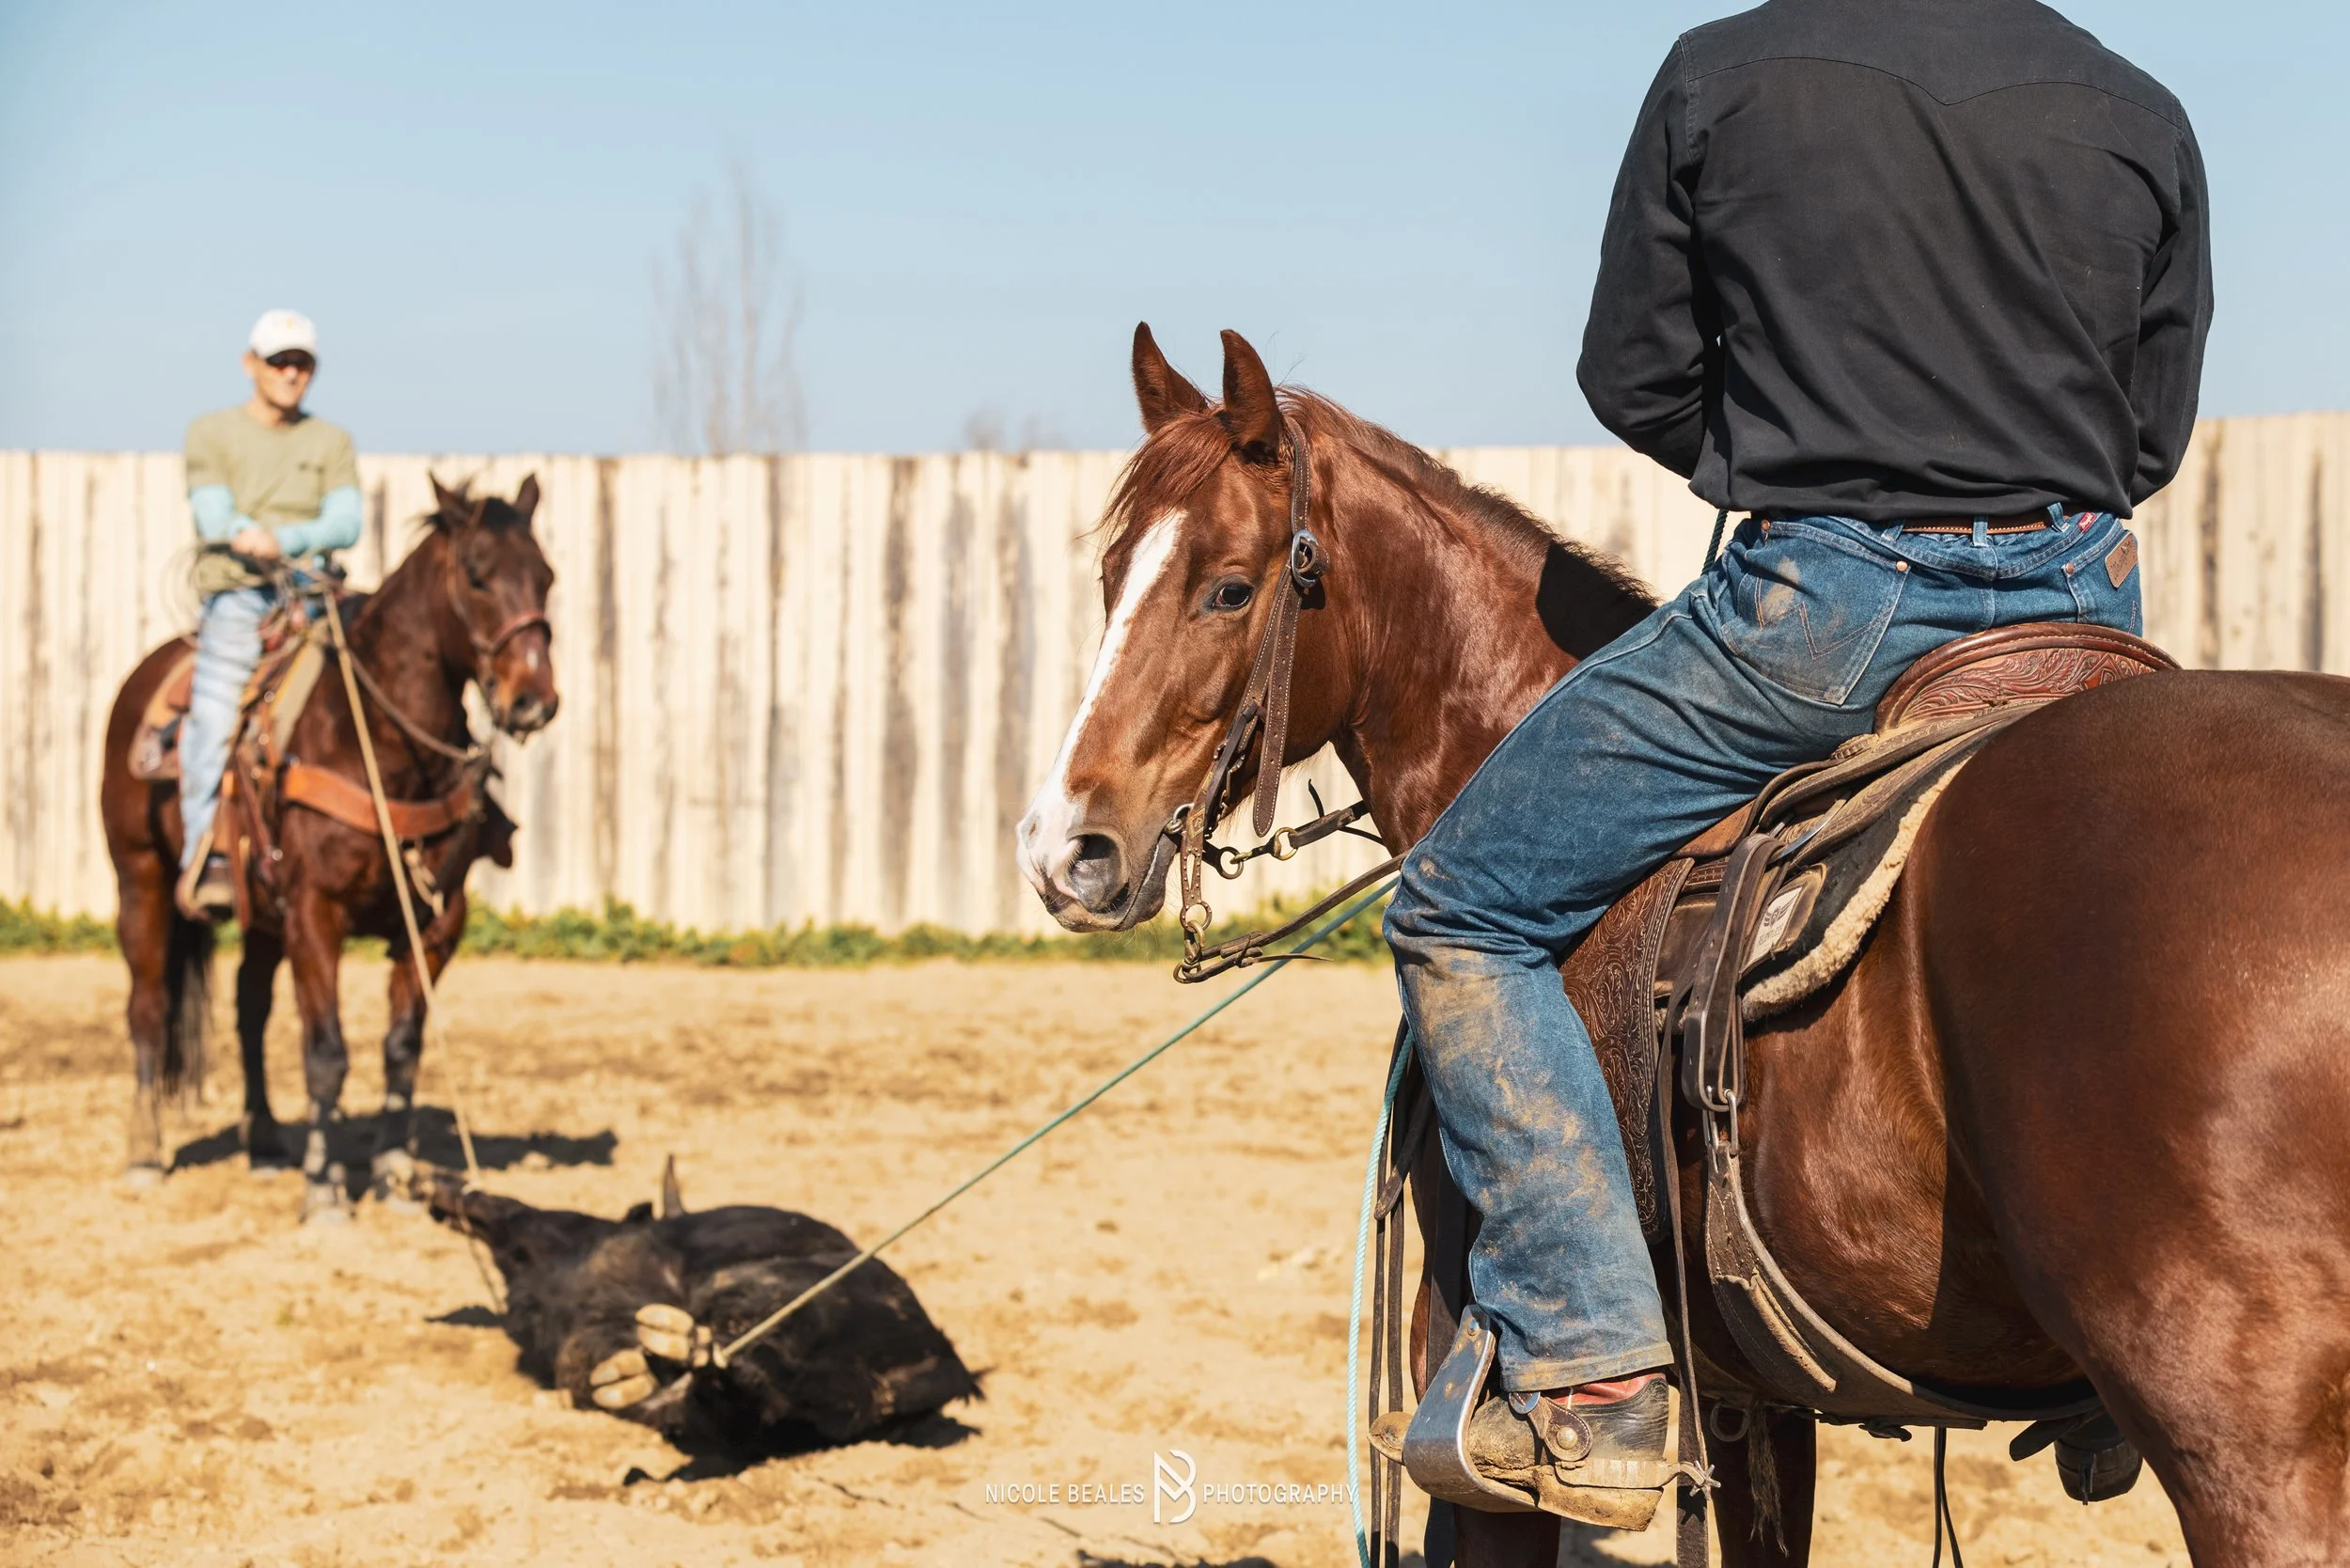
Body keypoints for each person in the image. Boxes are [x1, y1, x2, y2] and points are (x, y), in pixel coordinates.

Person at [1381, 0, 2211, 1524]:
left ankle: (1593, 1374)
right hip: (2089, 607)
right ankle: (2109, 1352)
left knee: (1461, 911)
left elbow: (1632, 369)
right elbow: (2147, 432)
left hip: (1833, 607)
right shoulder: (2134, 100)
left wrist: (1782, 456)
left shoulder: (1723, 68)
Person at [175, 309, 364, 918]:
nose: (291, 373)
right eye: (279, 361)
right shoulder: (212, 433)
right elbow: (212, 516)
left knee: (380, 696)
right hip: (239, 597)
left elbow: (347, 522)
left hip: (315, 597)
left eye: (302, 363)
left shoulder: (330, 442)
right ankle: (210, 856)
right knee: (213, 717)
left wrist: (280, 537)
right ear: (249, 364)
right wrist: (243, 535)